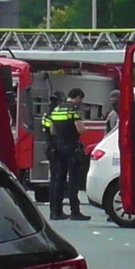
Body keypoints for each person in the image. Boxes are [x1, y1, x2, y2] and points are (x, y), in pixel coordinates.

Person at [47, 88, 91, 221]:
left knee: (58, 180)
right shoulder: (73, 110)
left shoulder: (56, 110)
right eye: (80, 99)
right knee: (73, 180)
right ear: (77, 97)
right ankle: (75, 211)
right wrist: (85, 129)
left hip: (58, 147)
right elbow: (80, 130)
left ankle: (56, 211)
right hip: (71, 147)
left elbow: (52, 130)